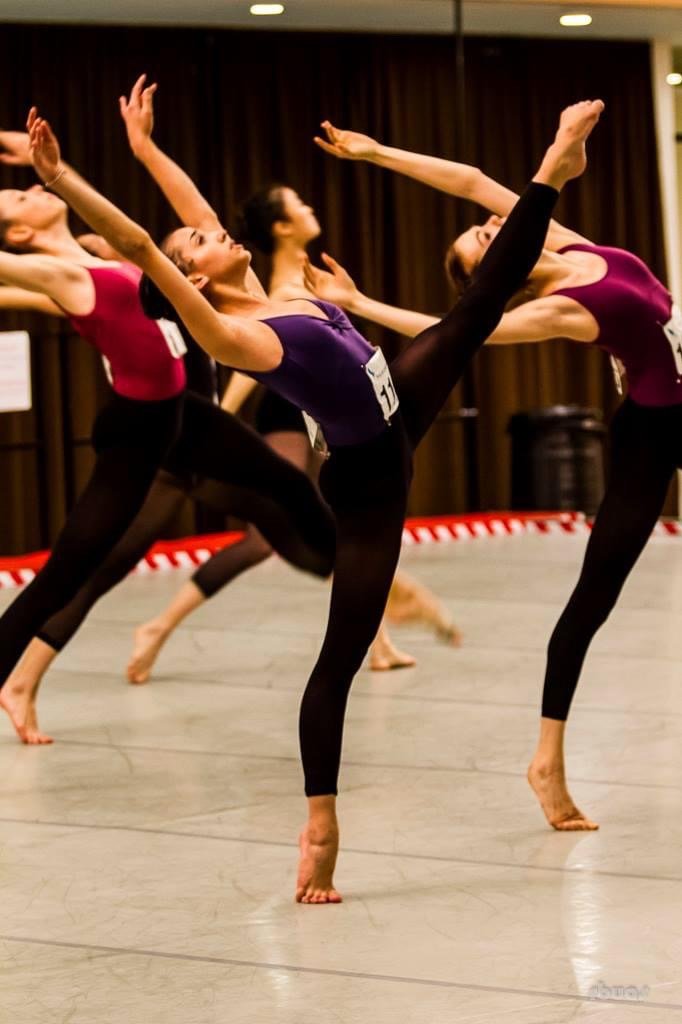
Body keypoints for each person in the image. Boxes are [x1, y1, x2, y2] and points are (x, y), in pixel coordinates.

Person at [28, 98, 602, 901]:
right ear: (192, 278)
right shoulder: (236, 336)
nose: (213, 229)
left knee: (472, 313)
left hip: (399, 404)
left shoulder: (266, 286)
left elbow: (188, 217)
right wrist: (63, 178)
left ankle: (551, 166)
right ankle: (321, 825)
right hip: (366, 479)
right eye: (199, 242)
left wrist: (146, 147)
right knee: (340, 656)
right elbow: (139, 246)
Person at [312, 112, 679, 834]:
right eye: (479, 239)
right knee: (594, 594)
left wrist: (375, 150)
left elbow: (470, 179)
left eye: (485, 227)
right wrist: (358, 305)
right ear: (490, 271)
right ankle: (546, 759)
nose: (488, 224)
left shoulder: (575, 245)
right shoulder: (561, 311)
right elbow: (452, 331)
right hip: (651, 431)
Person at [0, 128, 335, 746]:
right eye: (16, 200)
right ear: (19, 233)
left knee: (284, 481)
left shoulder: (107, 253)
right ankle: (14, 680)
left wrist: (68, 164)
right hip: (138, 434)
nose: (26, 192)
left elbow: (156, 231)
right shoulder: (62, 273)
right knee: (70, 571)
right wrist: (57, 173)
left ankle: (352, 564)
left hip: (186, 416)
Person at [121, 76, 457, 683]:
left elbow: (200, 222)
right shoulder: (248, 279)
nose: (309, 208)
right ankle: (161, 625)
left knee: (324, 527)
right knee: (278, 531)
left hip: (329, 396)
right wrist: (225, 414)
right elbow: (241, 338)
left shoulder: (263, 265)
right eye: (296, 205)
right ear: (278, 226)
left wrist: (146, 149)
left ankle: (373, 635)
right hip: (294, 402)